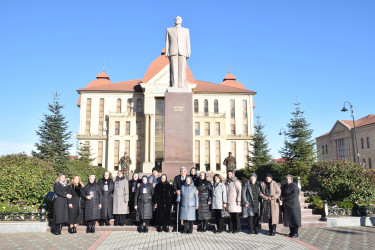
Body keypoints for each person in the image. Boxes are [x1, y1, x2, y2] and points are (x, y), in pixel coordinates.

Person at [165, 16, 191, 88]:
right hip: (173, 51)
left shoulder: (186, 30)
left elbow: (187, 41)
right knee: (173, 68)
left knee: (182, 68)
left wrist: (188, 51)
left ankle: (181, 84)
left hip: (183, 51)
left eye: (178, 19)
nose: (177, 20)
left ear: (181, 21)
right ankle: (174, 84)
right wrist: (166, 50)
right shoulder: (169, 30)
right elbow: (167, 41)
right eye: (175, 19)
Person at [173, 166, 188, 231]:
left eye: (184, 171)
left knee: (185, 211)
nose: (182, 173)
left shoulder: (188, 178)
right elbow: (174, 185)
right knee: (178, 211)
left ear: (186, 172)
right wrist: (176, 190)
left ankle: (185, 226)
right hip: (179, 197)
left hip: (186, 197)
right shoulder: (177, 178)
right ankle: (177, 226)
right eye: (181, 171)